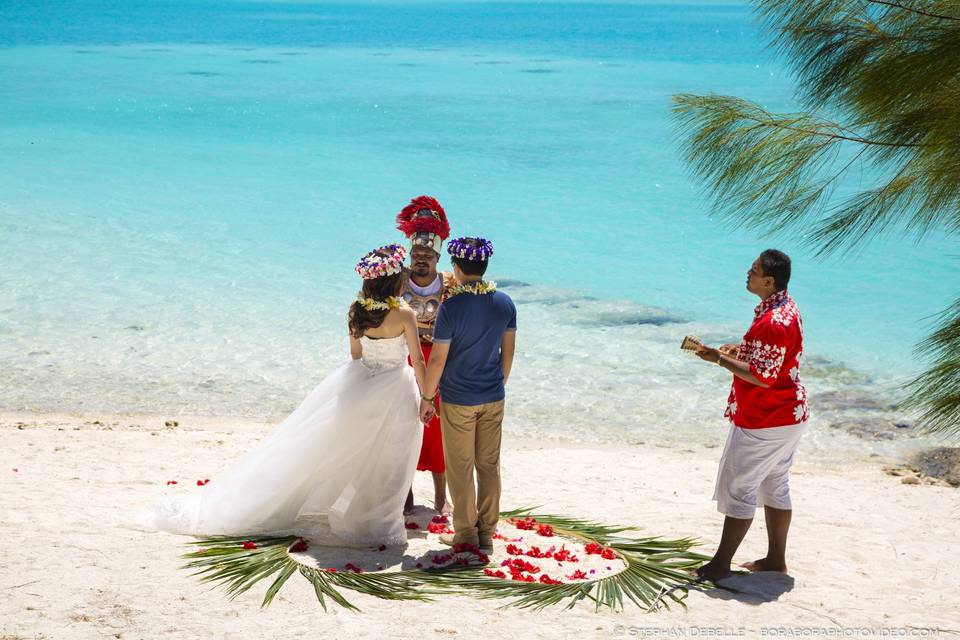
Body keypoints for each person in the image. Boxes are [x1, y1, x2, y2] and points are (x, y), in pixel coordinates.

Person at [133, 244, 427, 547]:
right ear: (394, 280)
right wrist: (427, 396)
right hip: (395, 390)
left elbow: (356, 356)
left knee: (348, 454)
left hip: (362, 387)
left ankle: (356, 520)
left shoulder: (356, 312)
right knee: (388, 458)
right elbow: (417, 360)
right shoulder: (404, 314)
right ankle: (373, 522)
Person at [693, 249, 809, 581]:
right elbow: (772, 360)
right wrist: (740, 350)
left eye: (754, 270)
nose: (748, 272)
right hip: (790, 414)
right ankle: (775, 560)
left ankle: (719, 565)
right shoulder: (785, 307)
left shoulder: (773, 321)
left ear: (769, 281)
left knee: (741, 488)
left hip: (767, 417)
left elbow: (763, 376)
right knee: (775, 484)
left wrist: (718, 359)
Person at [419, 237, 516, 553]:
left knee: (460, 466)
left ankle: (465, 533)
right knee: (489, 465)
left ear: (457, 268)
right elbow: (508, 354)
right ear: (485, 266)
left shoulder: (451, 307)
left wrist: (427, 396)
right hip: (493, 395)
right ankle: (486, 532)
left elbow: (437, 358)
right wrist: (497, 384)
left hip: (459, 399)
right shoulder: (505, 303)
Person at [395, 195, 457, 516]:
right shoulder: (398, 281)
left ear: (437, 256)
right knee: (404, 425)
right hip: (406, 358)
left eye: (427, 255)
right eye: (416, 254)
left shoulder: (448, 284)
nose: (421, 260)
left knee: (437, 430)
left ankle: (439, 498)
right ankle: (403, 496)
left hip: (437, 362)